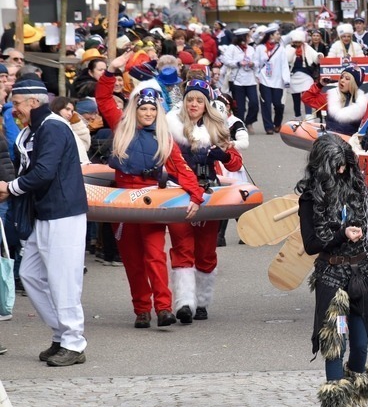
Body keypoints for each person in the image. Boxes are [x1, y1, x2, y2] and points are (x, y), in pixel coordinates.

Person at [98, 52, 205, 329]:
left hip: (151, 201)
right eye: (143, 108)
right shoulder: (121, 128)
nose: (148, 113)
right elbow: (104, 99)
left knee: (155, 256)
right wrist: (111, 71)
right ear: (135, 109)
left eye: (152, 109)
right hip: (123, 203)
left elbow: (182, 170)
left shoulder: (164, 138)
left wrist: (196, 196)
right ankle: (142, 310)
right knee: (133, 261)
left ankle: (164, 308)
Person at [297, 136, 368, 407]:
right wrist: (341, 236)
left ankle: (357, 399)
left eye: (345, 165)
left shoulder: (358, 188)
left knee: (361, 343)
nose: (342, 170)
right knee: (335, 344)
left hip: (361, 274)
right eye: (336, 166)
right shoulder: (309, 199)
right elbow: (311, 244)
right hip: (331, 277)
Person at [0, 79, 88, 365]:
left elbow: (44, 172)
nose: (14, 109)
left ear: (33, 102)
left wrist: (10, 188)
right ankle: (62, 334)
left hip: (63, 212)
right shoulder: (36, 129)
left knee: (64, 280)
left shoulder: (52, 127)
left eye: (17, 104)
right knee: (30, 274)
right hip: (47, 212)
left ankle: (73, 342)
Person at [166, 79, 244, 323]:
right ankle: (184, 303)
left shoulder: (217, 129)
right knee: (182, 247)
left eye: (199, 100)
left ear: (206, 104)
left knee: (207, 250)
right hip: (178, 192)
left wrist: (223, 155)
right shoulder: (171, 128)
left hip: (209, 193)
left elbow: (236, 163)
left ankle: (201, 301)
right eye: (190, 99)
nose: (194, 104)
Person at [220, 29, 259, 131]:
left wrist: (253, 64)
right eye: (248, 36)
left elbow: (257, 62)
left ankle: (249, 121)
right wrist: (238, 63)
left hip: (250, 80)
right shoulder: (232, 48)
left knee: (254, 103)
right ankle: (240, 125)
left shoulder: (251, 48)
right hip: (237, 80)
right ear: (242, 37)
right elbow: (226, 60)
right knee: (239, 106)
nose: (249, 38)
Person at [254, 28, 289, 135]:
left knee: (278, 105)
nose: (279, 36)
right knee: (266, 104)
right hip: (264, 80)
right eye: (277, 34)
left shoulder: (281, 49)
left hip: (278, 81)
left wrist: (286, 80)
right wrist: (257, 75)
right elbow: (256, 62)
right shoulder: (260, 48)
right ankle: (268, 127)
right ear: (271, 35)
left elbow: (284, 65)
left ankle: (277, 123)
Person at [286, 28, 321, 117]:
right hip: (293, 76)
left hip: (306, 75)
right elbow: (288, 59)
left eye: (299, 42)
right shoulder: (288, 48)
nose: (298, 44)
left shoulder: (306, 47)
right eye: (296, 42)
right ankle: (297, 116)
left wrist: (319, 56)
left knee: (307, 95)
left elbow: (314, 55)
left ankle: (308, 115)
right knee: (296, 98)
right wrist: (293, 49)